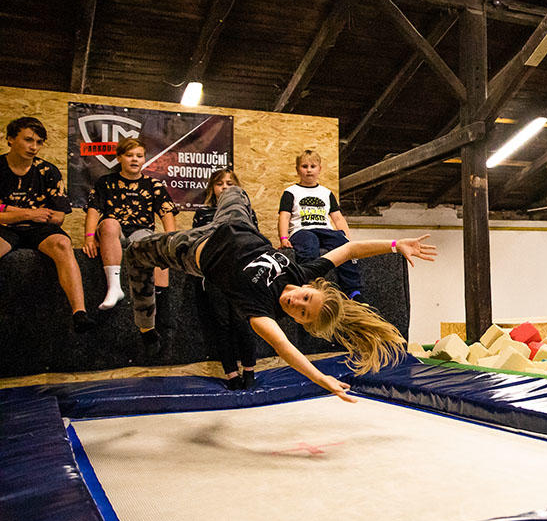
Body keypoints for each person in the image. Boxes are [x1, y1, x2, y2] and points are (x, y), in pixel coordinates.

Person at [126, 185, 436, 399]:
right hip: (234, 223)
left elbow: (286, 349)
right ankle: (230, 198)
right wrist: (396, 245)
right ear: (309, 287)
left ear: (300, 321)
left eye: (302, 313)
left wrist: (319, 377)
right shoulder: (301, 272)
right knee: (235, 190)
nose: (295, 303)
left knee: (135, 254)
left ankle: (146, 327)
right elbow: (350, 247)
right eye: (305, 299)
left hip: (192, 249)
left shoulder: (262, 312)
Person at [0, 116, 94, 332]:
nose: (34, 147)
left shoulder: (48, 171)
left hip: (40, 230)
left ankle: (79, 313)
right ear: (10, 140)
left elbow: (58, 216)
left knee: (62, 244)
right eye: (28, 140)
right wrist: (31, 214)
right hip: (6, 229)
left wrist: (8, 210)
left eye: (39, 142)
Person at [82, 136, 177, 311]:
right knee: (109, 223)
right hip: (112, 232)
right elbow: (93, 210)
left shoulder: (153, 184)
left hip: (140, 231)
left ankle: (161, 303)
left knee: (157, 244)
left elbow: (167, 212)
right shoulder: (106, 182)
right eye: (129, 155)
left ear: (144, 159)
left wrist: (170, 239)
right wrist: (88, 237)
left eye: (139, 156)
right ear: (119, 158)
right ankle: (114, 288)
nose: (134, 159)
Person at [193, 168, 257, 389]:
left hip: (240, 274)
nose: (225, 188)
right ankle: (231, 373)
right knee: (222, 325)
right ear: (212, 188)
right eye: (220, 184)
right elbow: (197, 243)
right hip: (215, 275)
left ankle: (249, 370)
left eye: (230, 184)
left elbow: (253, 239)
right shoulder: (204, 213)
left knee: (243, 323)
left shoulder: (245, 212)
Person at [278, 149, 362, 298]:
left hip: (325, 230)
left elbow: (337, 218)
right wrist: (284, 238)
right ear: (298, 169)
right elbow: (284, 216)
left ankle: (353, 291)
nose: (309, 170)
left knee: (341, 243)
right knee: (309, 244)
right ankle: (309, 285)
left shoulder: (326, 193)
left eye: (313, 166)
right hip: (302, 231)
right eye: (304, 166)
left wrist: (347, 240)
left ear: (319, 169)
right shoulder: (291, 192)